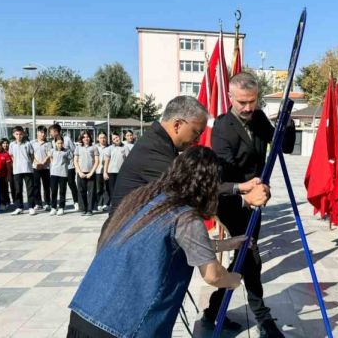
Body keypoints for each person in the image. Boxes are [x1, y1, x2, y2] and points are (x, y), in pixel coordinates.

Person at [68, 146, 248, 338]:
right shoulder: (186, 217)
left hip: (85, 311)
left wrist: (229, 244)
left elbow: (181, 246)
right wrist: (233, 280)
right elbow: (213, 276)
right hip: (123, 327)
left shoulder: (146, 199)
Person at [203, 72, 295, 337]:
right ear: (231, 97)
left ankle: (213, 310)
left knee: (244, 258)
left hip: (256, 200)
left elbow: (283, 147)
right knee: (251, 256)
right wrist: (248, 189)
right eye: (242, 102)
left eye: (252, 101)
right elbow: (224, 169)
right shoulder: (222, 126)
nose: (247, 107)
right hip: (232, 199)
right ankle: (264, 320)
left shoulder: (258, 118)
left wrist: (286, 125)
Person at [108, 95, 269, 218]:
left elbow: (193, 183)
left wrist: (238, 187)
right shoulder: (154, 151)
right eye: (196, 132)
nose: (198, 140)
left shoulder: (159, 142)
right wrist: (246, 200)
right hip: (125, 241)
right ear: (177, 124)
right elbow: (193, 195)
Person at [49, 124, 80, 212]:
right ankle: (55, 207)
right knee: (56, 188)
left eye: (51, 132)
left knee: (71, 183)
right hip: (58, 168)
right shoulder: (53, 141)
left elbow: (74, 151)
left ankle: (76, 201)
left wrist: (75, 165)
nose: (51, 134)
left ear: (56, 131)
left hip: (69, 166)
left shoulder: (67, 139)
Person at [9, 126, 37, 216]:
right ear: (14, 135)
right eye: (17, 134)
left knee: (30, 189)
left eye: (20, 134)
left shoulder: (28, 144)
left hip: (27, 169)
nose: (19, 136)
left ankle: (31, 207)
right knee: (18, 190)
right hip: (17, 170)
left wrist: (28, 163)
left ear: (23, 134)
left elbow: (32, 156)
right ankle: (19, 207)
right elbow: (12, 156)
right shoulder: (12, 145)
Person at [75, 130, 99, 216]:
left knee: (91, 192)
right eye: (84, 137)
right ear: (81, 138)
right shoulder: (78, 148)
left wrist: (91, 172)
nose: (86, 138)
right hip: (81, 173)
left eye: (87, 137)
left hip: (91, 173)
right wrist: (79, 172)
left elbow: (96, 161)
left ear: (90, 138)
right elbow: (75, 161)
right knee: (81, 191)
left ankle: (90, 209)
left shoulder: (94, 147)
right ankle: (83, 209)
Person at [49, 135, 73, 216]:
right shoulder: (52, 151)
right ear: (55, 143)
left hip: (63, 174)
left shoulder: (66, 151)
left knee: (62, 191)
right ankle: (53, 207)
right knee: (54, 191)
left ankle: (62, 207)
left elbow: (71, 159)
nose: (60, 144)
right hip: (54, 173)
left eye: (61, 143)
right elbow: (51, 159)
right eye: (58, 143)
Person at [103, 132, 128, 202]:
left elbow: (128, 161)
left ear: (119, 136)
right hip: (111, 172)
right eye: (114, 139)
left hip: (121, 173)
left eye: (116, 137)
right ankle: (113, 205)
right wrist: (105, 172)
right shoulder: (110, 148)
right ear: (112, 141)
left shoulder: (125, 148)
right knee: (112, 190)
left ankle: (120, 205)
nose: (116, 139)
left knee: (120, 190)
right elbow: (106, 161)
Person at [32, 126, 52, 211]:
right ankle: (38, 203)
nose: (43, 134)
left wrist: (43, 162)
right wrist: (37, 162)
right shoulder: (32, 143)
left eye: (44, 133)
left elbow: (49, 154)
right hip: (35, 167)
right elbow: (31, 154)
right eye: (41, 132)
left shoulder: (48, 143)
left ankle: (47, 203)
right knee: (36, 186)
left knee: (46, 186)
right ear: (37, 133)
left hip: (45, 167)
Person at [0, 139, 12, 212]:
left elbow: (8, 167)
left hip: (4, 176)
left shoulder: (6, 154)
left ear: (1, 146)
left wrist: (8, 176)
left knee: (4, 190)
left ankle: (4, 203)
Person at [94, 132, 110, 212]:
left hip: (107, 171)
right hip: (98, 170)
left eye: (104, 137)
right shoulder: (95, 147)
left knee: (106, 188)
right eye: (101, 138)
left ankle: (106, 204)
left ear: (106, 138)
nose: (102, 139)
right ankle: (99, 203)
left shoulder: (110, 147)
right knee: (98, 188)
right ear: (98, 139)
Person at [1, 138, 16, 208]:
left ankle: (15, 201)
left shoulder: (11, 151)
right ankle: (7, 201)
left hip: (13, 171)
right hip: (4, 172)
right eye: (4, 143)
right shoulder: (0, 152)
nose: (5, 145)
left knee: (14, 187)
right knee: (4, 187)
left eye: (7, 143)